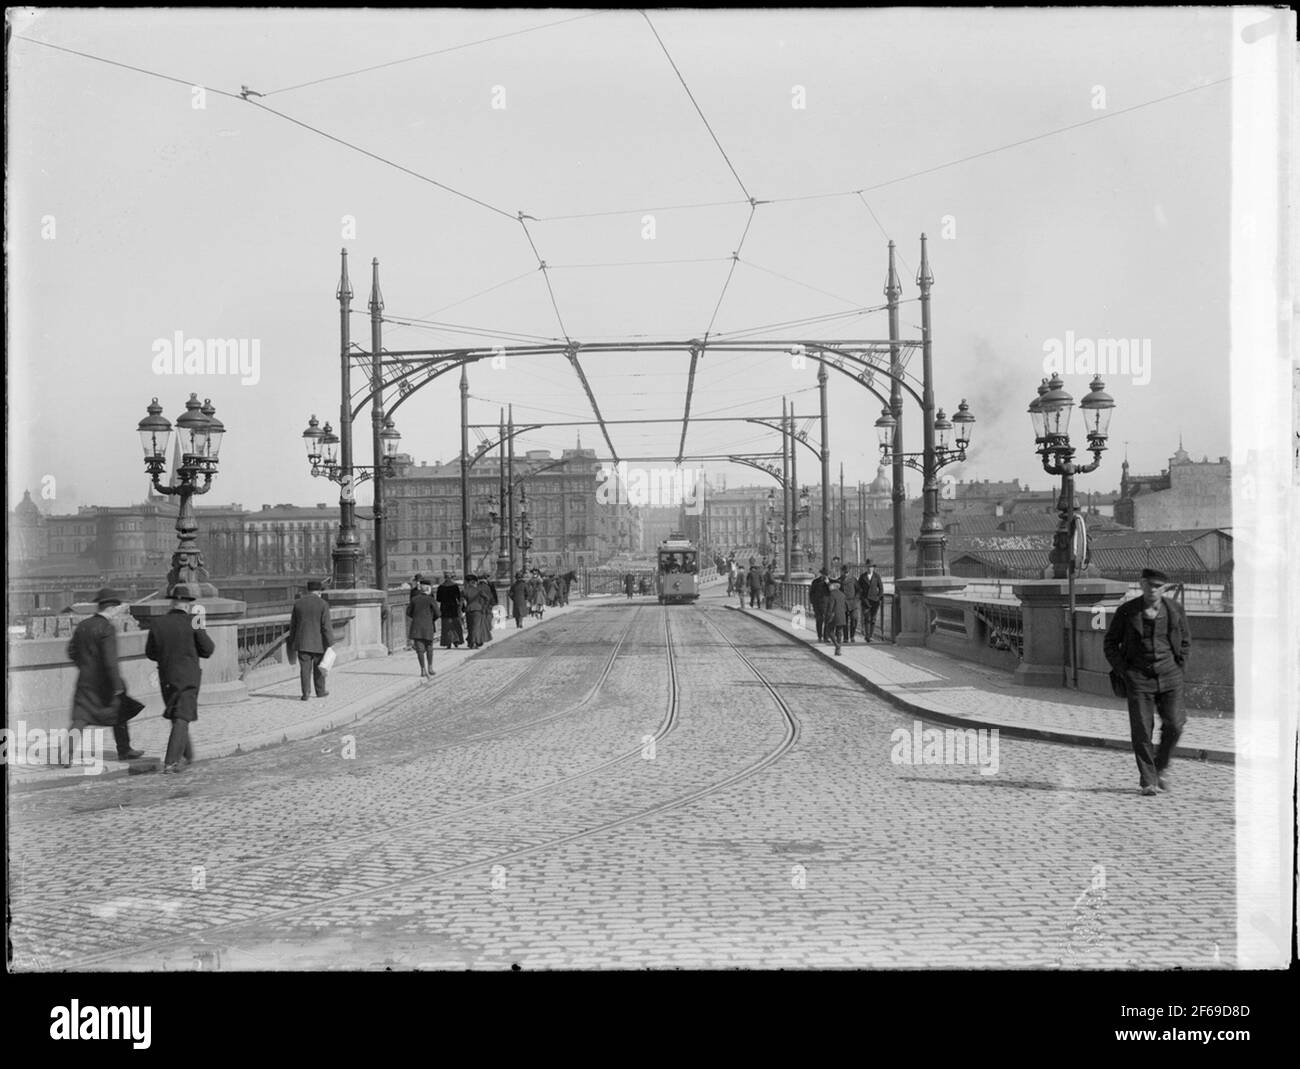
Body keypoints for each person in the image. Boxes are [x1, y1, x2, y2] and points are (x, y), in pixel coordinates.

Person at [1104, 568, 1192, 797]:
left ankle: (1160, 766)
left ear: (1164, 589)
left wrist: (1179, 667)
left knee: (1175, 724)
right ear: (1141, 584)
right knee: (1142, 729)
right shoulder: (1127, 612)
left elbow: (1185, 641)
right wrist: (1125, 672)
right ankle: (1148, 780)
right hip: (1139, 678)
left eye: (1158, 586)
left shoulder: (1174, 610)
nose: (1153, 590)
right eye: (1149, 585)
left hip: (1170, 676)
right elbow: (1110, 644)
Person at [66, 586, 143, 763]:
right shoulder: (107, 628)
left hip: (85, 682)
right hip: (105, 684)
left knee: (80, 719)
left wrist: (85, 666)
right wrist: (117, 686)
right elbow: (110, 661)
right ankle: (124, 750)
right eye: (116, 607)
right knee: (120, 712)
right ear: (112, 607)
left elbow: (71, 651)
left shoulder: (83, 625)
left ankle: (65, 754)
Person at [145, 584, 215, 774]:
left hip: (166, 677)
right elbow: (208, 649)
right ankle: (171, 761)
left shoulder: (158, 623)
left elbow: (150, 652)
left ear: (173, 602)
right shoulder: (194, 621)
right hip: (188, 677)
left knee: (178, 715)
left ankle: (188, 755)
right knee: (182, 716)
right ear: (187, 605)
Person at [287, 579, 334, 701]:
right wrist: (330, 643)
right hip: (319, 642)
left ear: (308, 590)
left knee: (305, 669)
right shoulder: (323, 604)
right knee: (319, 668)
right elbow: (326, 626)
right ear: (319, 591)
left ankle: (305, 693)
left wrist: (292, 642)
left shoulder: (298, 604)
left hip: (302, 642)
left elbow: (293, 625)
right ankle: (320, 691)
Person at [406, 580, 438, 679]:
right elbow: (438, 613)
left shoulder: (414, 599)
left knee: (419, 649)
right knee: (429, 647)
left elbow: (408, 612)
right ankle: (430, 667)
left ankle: (423, 669)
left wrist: (416, 617)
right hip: (428, 626)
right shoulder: (431, 599)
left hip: (416, 626)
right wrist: (431, 618)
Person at [859, 560, 885, 642]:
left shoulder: (877, 576)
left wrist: (878, 597)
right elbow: (859, 589)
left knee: (873, 619)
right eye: (868, 567)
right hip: (866, 600)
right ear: (866, 567)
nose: (870, 568)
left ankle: (871, 635)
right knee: (867, 618)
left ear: (873, 568)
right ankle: (867, 636)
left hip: (875, 601)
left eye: (871, 567)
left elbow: (881, 588)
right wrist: (862, 598)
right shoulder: (862, 577)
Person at [437, 573, 464, 648]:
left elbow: (438, 599)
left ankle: (448, 642)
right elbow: (458, 597)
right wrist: (462, 608)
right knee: (455, 625)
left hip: (444, 608)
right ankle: (456, 641)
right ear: (451, 577)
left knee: (446, 626)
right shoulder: (455, 586)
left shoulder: (441, 587)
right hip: (453, 607)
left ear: (444, 578)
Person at [825, 578, 849, 655]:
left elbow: (830, 607)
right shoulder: (842, 594)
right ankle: (838, 650)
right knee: (839, 632)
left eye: (830, 585)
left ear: (834, 586)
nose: (829, 586)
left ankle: (837, 645)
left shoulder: (832, 594)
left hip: (834, 616)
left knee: (829, 631)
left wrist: (827, 617)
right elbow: (845, 606)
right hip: (842, 616)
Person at [809, 567, 830, 642]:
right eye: (824, 574)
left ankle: (826, 637)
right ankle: (820, 636)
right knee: (819, 620)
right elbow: (811, 593)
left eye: (826, 575)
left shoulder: (829, 582)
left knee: (827, 621)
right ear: (821, 574)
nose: (824, 576)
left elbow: (832, 591)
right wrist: (813, 603)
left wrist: (828, 583)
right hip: (817, 604)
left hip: (827, 604)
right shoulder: (815, 581)